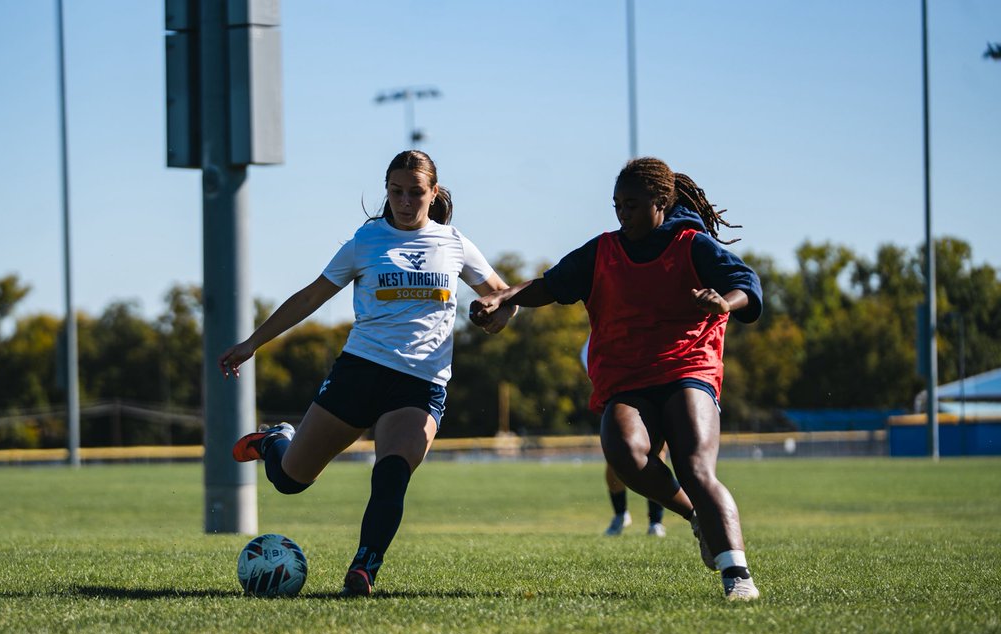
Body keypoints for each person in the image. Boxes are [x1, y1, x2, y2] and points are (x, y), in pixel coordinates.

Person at [219, 150, 516, 597]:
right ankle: (274, 441)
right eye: (396, 192)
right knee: (289, 480)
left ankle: (364, 568)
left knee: (392, 471)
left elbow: (501, 295)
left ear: (433, 193)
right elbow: (310, 297)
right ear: (387, 192)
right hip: (360, 371)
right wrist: (251, 344)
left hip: (421, 384)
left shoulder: (454, 242)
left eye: (415, 192)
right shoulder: (366, 240)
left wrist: (496, 314)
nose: (404, 201)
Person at [470, 157, 763, 601]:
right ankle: (696, 517)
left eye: (631, 204)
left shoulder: (692, 245)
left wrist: (725, 302)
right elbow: (551, 284)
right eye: (616, 205)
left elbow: (748, 284)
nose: (621, 213)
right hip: (627, 378)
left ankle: (737, 575)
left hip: (688, 369)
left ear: (661, 202)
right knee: (624, 454)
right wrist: (502, 297)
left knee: (695, 466)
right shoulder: (603, 249)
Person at [584, 338, 668, 537]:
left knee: (658, 453)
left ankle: (656, 521)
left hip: (654, 386)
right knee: (615, 456)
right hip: (620, 392)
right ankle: (620, 514)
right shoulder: (596, 339)